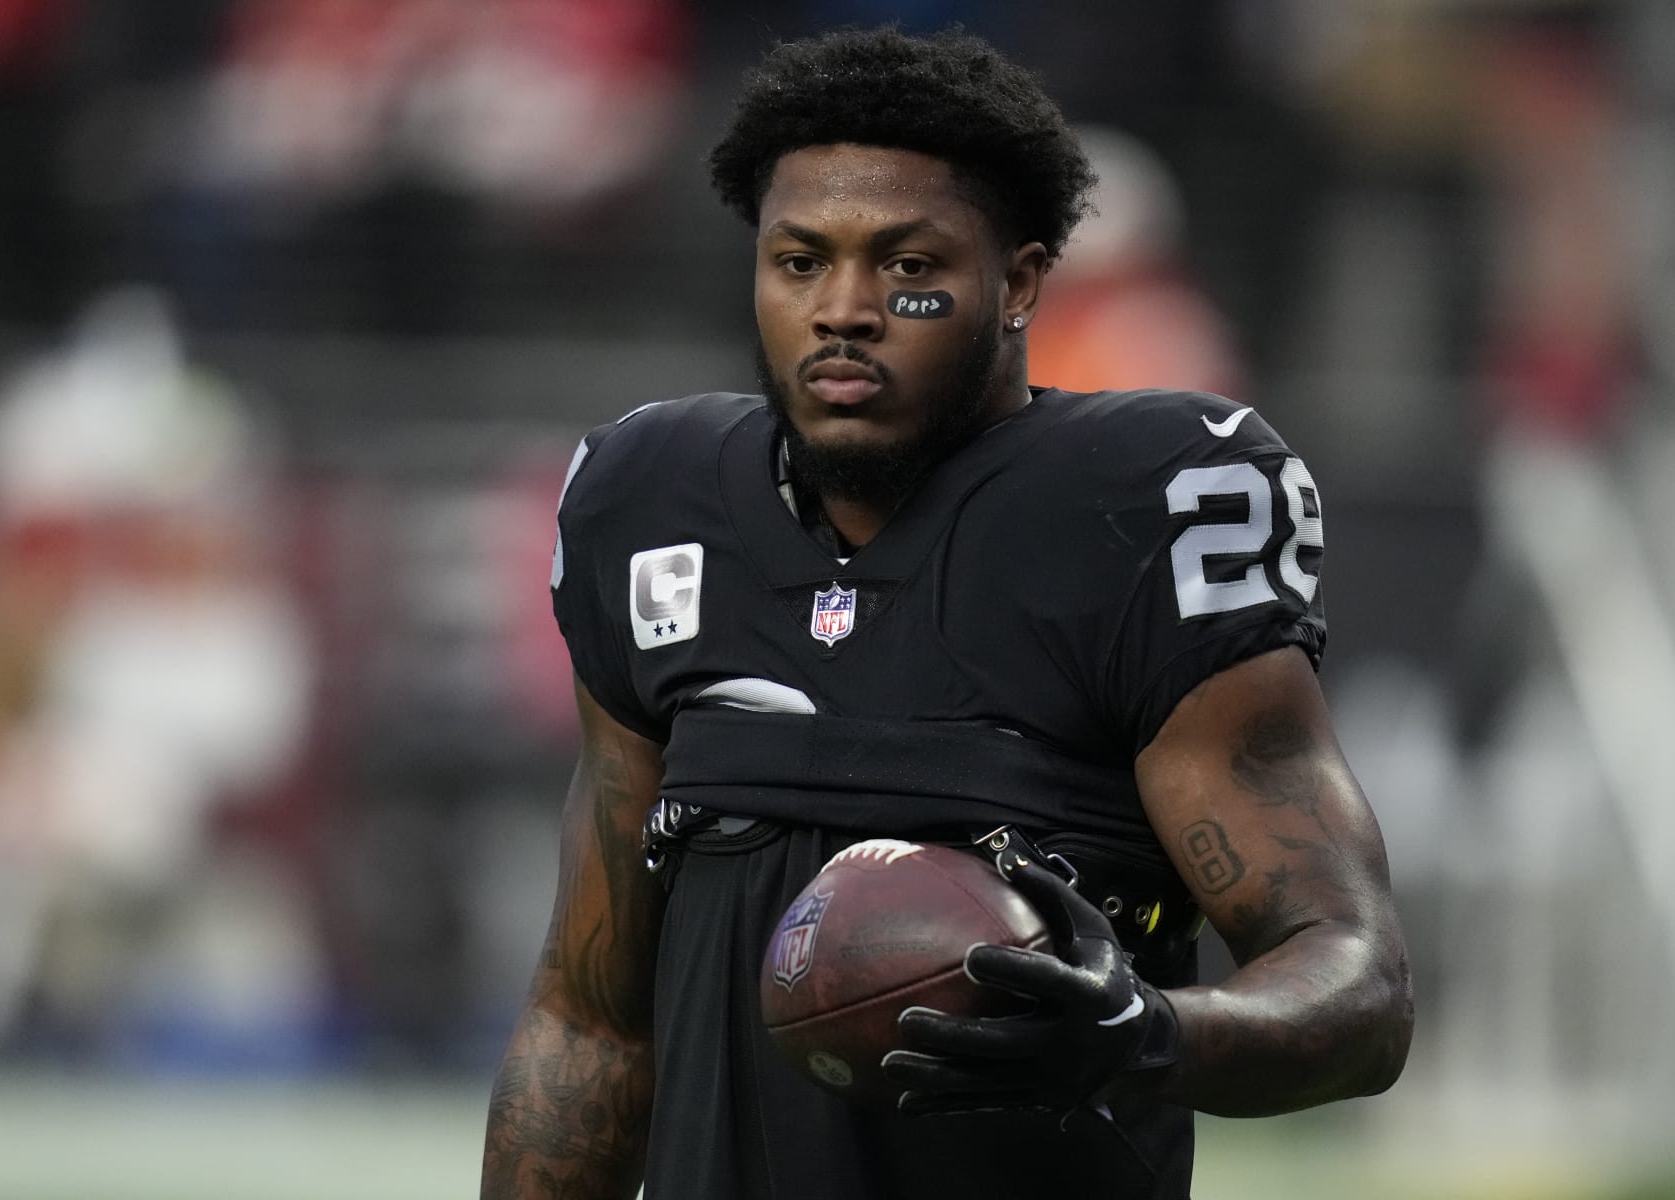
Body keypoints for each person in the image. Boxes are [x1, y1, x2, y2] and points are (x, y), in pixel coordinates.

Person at [481, 26, 1412, 1200]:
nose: (846, 308)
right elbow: (588, 1023)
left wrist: (1145, 1031)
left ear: (1019, 281)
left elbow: (1357, 978)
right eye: (801, 261)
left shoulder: (1142, 509)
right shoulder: (652, 498)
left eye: (907, 265)